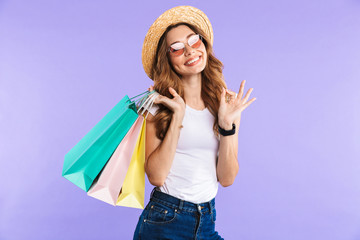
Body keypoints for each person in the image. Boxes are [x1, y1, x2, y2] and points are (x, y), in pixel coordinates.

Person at [133, 5, 256, 240]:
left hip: (207, 218)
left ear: (205, 46)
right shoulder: (157, 105)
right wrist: (178, 116)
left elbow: (227, 179)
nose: (189, 51)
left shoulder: (226, 103)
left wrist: (226, 125)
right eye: (177, 48)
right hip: (164, 220)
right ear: (167, 59)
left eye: (194, 41)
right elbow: (156, 177)